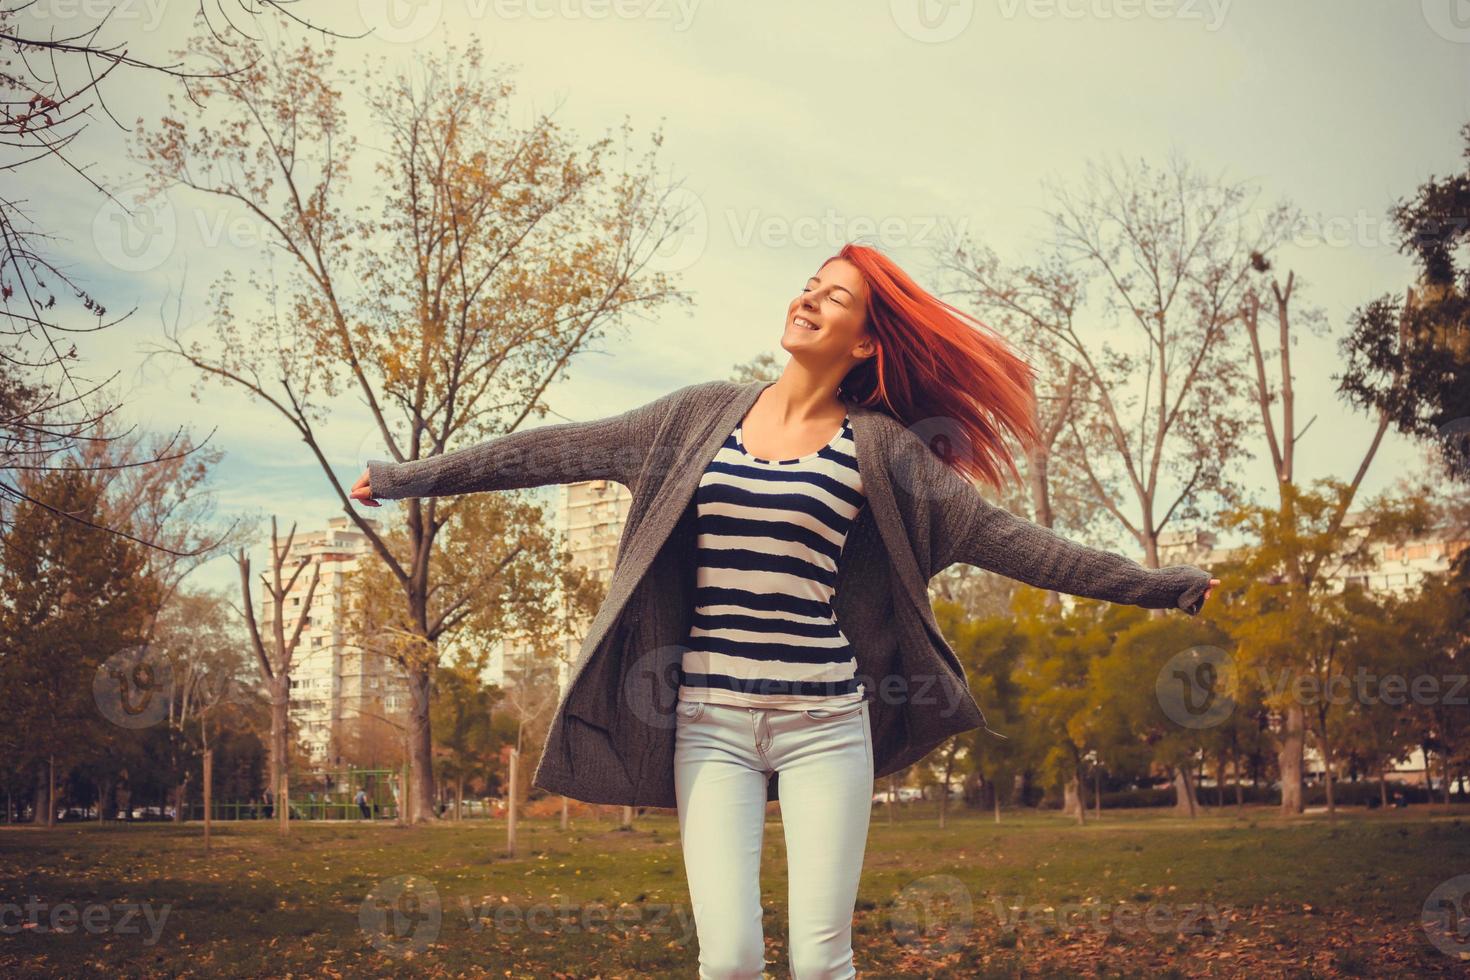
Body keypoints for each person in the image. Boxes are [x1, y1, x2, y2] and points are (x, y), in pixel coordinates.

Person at [351, 242, 1218, 979]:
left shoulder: (883, 452)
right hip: (711, 724)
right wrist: (406, 478)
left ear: (866, 339)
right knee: (727, 961)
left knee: (820, 960)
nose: (808, 297)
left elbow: (1021, 544)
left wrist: (1167, 585)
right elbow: (554, 448)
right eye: (810, 283)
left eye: (833, 295)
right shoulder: (698, 416)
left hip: (825, 725)